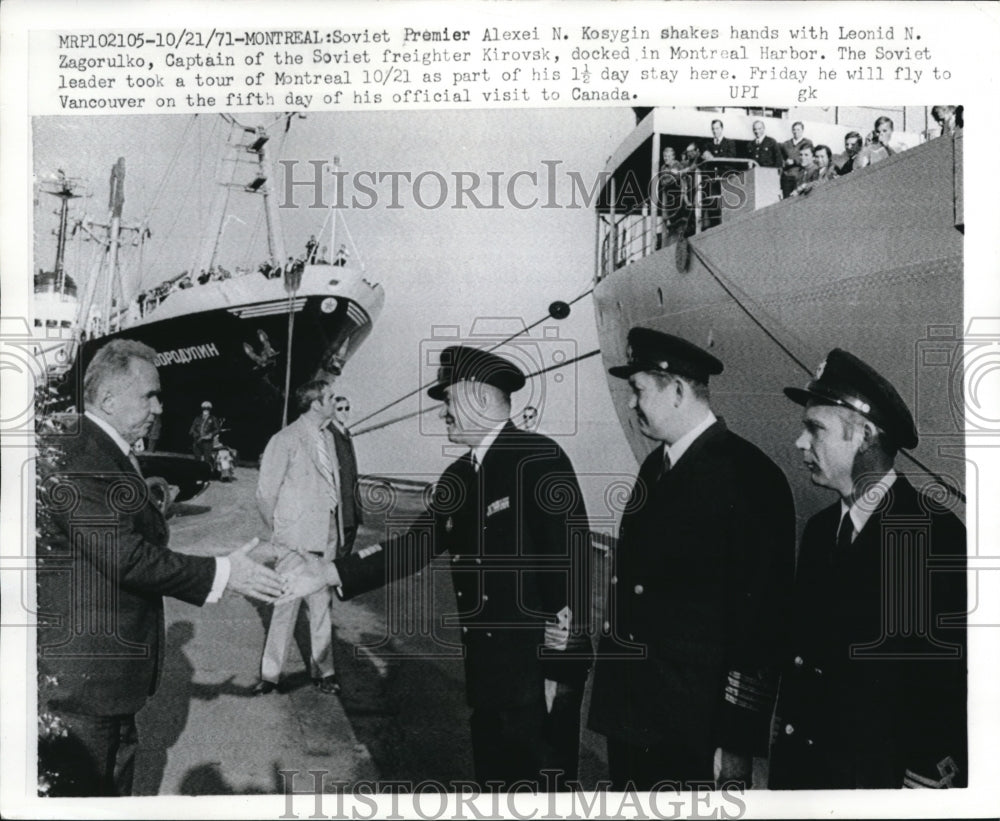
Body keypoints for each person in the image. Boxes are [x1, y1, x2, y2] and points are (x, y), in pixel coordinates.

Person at [284, 346, 592, 789]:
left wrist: (563, 662)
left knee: (542, 789)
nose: (443, 411)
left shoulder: (537, 457)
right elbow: (415, 546)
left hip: (535, 676)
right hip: (488, 674)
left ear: (480, 400)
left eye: (449, 400)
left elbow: (574, 555)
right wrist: (330, 572)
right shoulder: (458, 477)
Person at [35, 339, 286, 797]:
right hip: (83, 686)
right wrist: (225, 572)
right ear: (108, 399)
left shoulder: (103, 451)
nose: (158, 408)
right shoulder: (81, 457)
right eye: (148, 395)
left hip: (107, 682)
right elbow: (126, 556)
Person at [588, 327, 795, 791]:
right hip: (633, 718)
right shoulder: (654, 469)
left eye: (637, 390)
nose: (630, 403)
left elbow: (760, 623)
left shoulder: (749, 478)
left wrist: (737, 740)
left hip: (691, 730)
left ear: (678, 390)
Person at [769, 350, 967, 789]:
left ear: (865, 435)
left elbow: (942, 686)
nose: (801, 443)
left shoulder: (932, 535)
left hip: (876, 782)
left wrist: (924, 782)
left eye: (814, 428)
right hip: (808, 777)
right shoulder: (821, 531)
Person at [254, 378, 344, 696]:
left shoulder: (330, 439)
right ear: (316, 403)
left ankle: (324, 671)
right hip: (294, 538)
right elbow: (266, 493)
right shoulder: (285, 439)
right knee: (285, 605)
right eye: (331, 397)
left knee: (322, 606)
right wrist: (281, 534)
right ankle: (270, 674)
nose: (336, 401)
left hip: (326, 535)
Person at [330, 395, 363, 556]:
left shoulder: (346, 432)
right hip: (339, 503)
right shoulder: (329, 434)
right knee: (337, 547)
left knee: (348, 543)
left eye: (347, 408)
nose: (344, 412)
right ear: (331, 411)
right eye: (340, 409)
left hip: (352, 503)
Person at [780, 122, 814, 198]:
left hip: (800, 175)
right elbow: (781, 158)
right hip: (788, 176)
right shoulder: (786, 144)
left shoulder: (807, 143)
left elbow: (809, 158)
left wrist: (794, 161)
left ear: (802, 130)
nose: (796, 132)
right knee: (787, 199)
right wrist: (784, 163)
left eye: (798, 130)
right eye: (794, 130)